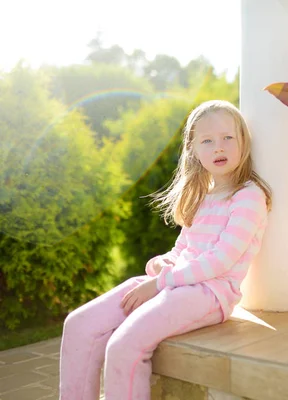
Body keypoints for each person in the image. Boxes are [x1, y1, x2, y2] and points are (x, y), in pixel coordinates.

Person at [59, 100, 272, 400]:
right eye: (207, 141)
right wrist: (160, 264)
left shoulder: (248, 196)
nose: (218, 147)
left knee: (124, 345)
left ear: (243, 143)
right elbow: (182, 249)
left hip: (209, 294)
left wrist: (159, 282)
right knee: (79, 325)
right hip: (174, 283)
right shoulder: (203, 196)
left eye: (227, 138)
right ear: (194, 150)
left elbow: (221, 261)